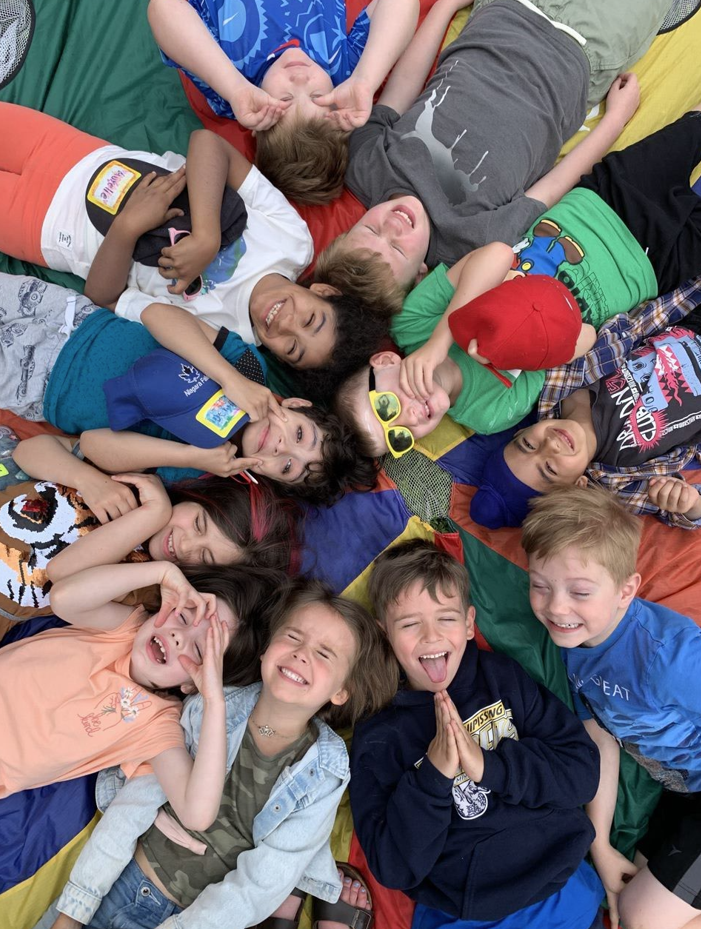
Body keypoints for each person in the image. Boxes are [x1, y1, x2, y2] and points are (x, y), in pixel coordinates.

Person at [42, 580, 399, 929]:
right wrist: (76, 907)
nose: (301, 654)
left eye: (324, 654)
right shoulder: (207, 708)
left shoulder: (325, 772)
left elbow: (262, 882)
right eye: (292, 636)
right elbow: (134, 802)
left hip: (197, 918)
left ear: (341, 691)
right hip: (117, 884)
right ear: (266, 649)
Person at [0, 105, 389, 398]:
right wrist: (207, 238)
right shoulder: (291, 242)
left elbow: (104, 297)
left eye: (291, 348)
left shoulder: (222, 335)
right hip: (84, 157)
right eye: (311, 321)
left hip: (50, 228)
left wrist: (127, 228)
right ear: (323, 292)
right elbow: (208, 144)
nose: (286, 325)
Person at [319, 0, 668, 287]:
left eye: (369, 228)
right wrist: (615, 121)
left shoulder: (366, 168)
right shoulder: (470, 241)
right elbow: (553, 187)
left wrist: (444, 8)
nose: (391, 226)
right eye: (396, 249)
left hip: (504, 9)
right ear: (420, 274)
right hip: (585, 48)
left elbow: (404, 84)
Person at [351, 539, 604, 929]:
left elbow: (582, 773)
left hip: (560, 883)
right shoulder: (379, 734)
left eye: (446, 618)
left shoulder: (501, 677)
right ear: (384, 633)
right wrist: (432, 777)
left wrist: (490, 766)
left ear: (470, 624)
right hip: (462, 911)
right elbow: (394, 868)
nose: (431, 636)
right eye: (410, 623)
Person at [0, 272, 378, 504]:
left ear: (267, 477)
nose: (282, 448)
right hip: (69, 318)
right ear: (295, 404)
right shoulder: (249, 367)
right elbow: (156, 315)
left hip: (34, 387)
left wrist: (191, 456)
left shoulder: (196, 471)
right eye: (298, 433)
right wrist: (233, 381)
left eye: (288, 467)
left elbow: (95, 444)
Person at [521, 486, 701, 929]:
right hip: (683, 794)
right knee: (621, 900)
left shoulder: (667, 656)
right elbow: (600, 739)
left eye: (579, 592)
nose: (556, 606)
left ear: (626, 591)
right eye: (540, 586)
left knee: (640, 918)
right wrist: (599, 842)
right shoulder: (572, 645)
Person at [0, 548, 284, 824]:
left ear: (192, 684)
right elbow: (63, 598)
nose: (177, 637)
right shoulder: (124, 627)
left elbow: (196, 813)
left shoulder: (156, 722)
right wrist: (163, 573)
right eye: (184, 616)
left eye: (199, 650)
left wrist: (214, 700)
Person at [148, 0, 419, 205]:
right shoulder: (343, 73)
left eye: (285, 98)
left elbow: (164, 8)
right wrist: (366, 80)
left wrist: (233, 87)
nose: (300, 78)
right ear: (334, 107)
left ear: (257, 125)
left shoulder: (234, 91)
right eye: (316, 97)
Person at [0, 455, 297, 620]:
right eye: (198, 524)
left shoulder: (147, 593)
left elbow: (61, 572)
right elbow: (28, 450)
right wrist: (84, 477)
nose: (185, 545)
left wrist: (154, 515)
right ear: (198, 497)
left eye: (205, 557)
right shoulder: (133, 483)